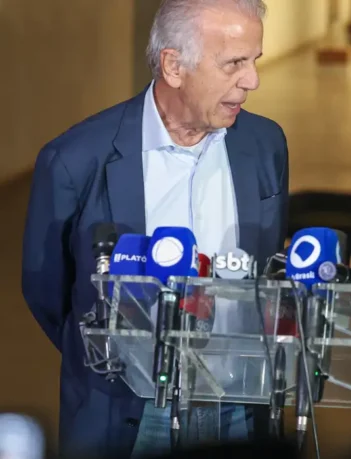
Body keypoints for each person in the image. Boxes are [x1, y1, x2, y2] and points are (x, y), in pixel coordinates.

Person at [21, 0, 288, 458]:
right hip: (128, 412)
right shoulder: (74, 161)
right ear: (173, 66)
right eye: (234, 64)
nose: (252, 80)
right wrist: (124, 358)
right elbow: (49, 293)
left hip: (240, 406)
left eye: (254, 61)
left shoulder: (266, 145)